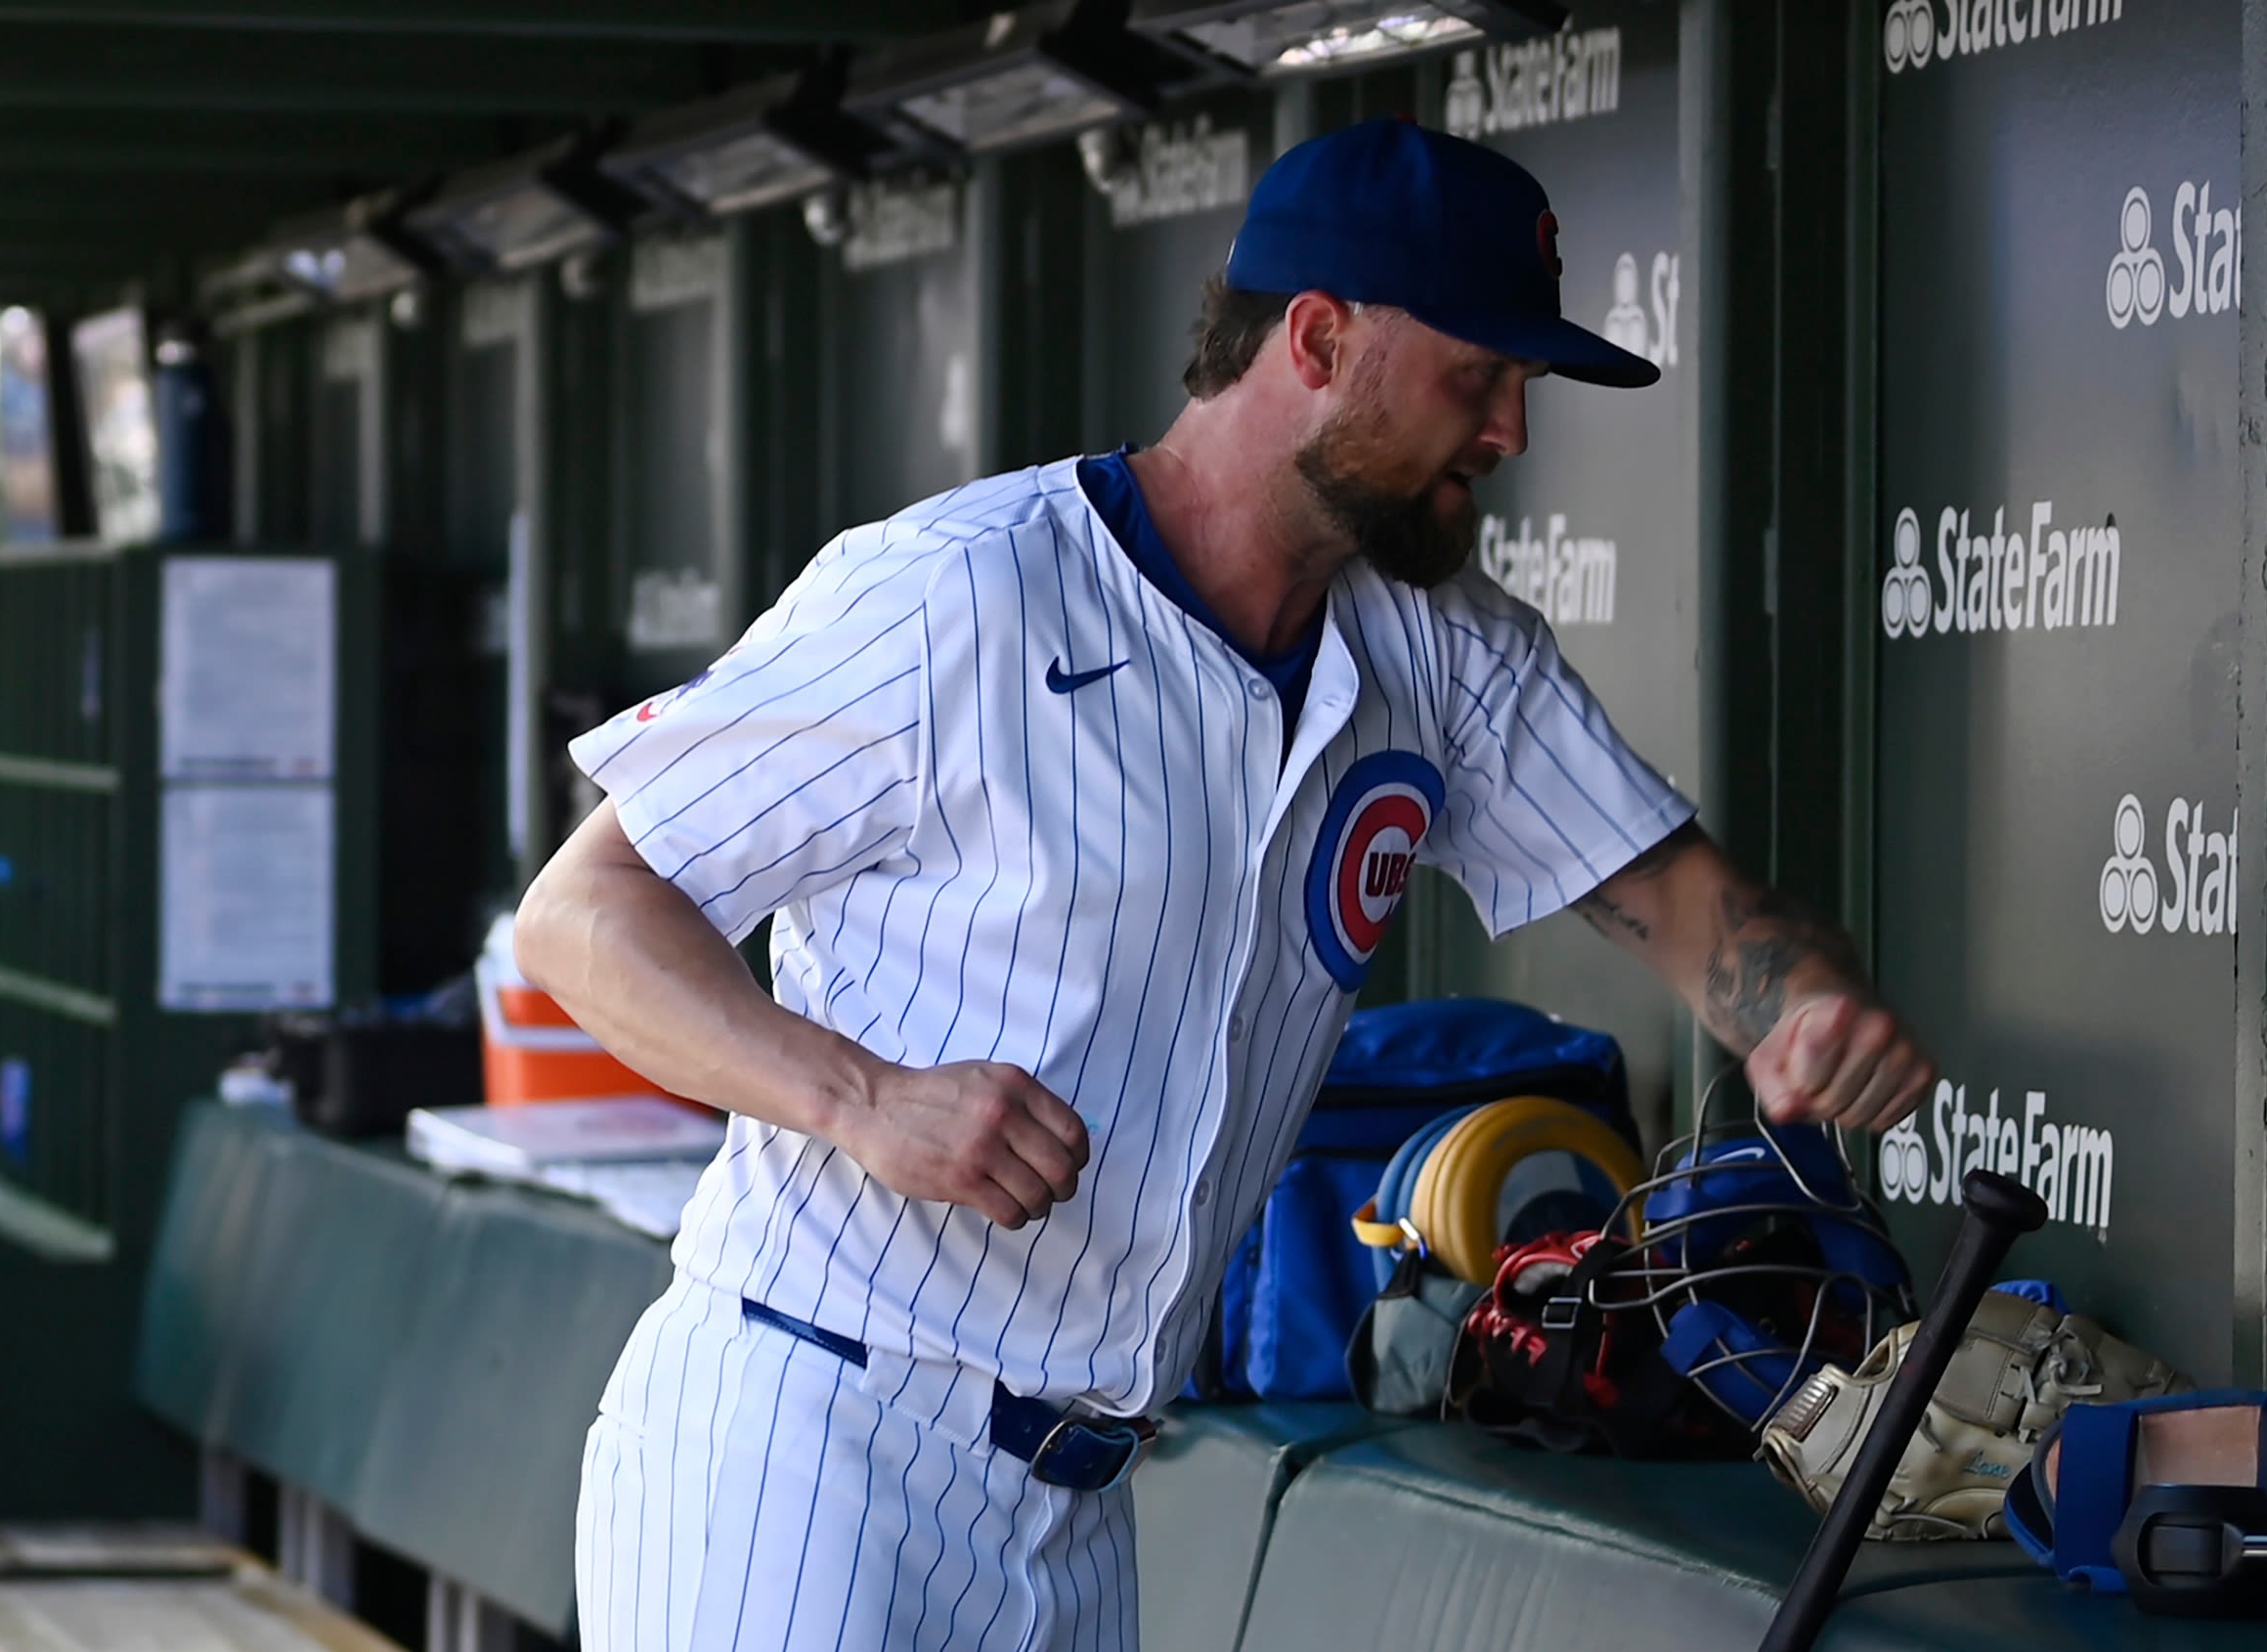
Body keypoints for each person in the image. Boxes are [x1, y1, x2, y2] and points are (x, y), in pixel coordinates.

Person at [516, 117, 1935, 1652]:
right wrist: (861, 1095)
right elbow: (584, 916)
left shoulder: (1435, 648)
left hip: (1077, 1499)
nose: (1511, 430)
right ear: (1318, 339)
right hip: (811, 1431)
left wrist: (1797, 1003)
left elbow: (1686, 908)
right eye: (1481, 375)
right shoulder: (960, 592)